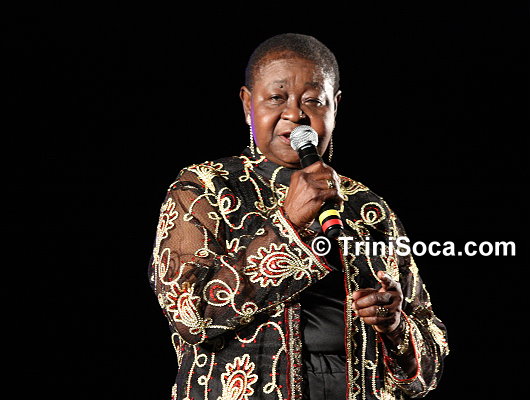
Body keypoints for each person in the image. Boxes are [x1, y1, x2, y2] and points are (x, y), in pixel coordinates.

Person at [149, 33, 448, 400]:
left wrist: (395, 325)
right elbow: (189, 314)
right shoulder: (203, 188)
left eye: (313, 101)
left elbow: (429, 367)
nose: (295, 114)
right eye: (277, 98)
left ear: (335, 107)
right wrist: (289, 223)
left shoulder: (370, 209)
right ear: (248, 104)